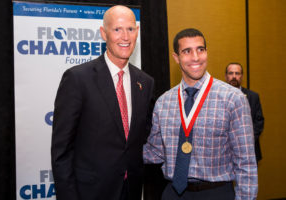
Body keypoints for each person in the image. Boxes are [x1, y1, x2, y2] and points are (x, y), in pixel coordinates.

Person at [51, 5, 154, 200]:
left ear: (137, 32)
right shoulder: (77, 79)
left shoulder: (145, 82)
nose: (125, 37)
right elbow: (61, 151)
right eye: (117, 29)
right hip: (90, 192)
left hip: (131, 189)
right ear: (103, 33)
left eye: (130, 29)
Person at [143, 28, 258, 200]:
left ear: (206, 53)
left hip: (216, 193)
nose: (195, 57)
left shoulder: (233, 99)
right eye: (187, 51)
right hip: (173, 194)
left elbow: (246, 163)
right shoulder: (163, 102)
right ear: (176, 58)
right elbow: (155, 152)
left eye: (200, 50)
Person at [225, 62, 264, 163]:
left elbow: (258, 122)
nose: (234, 76)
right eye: (231, 73)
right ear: (226, 76)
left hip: (248, 150)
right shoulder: (218, 97)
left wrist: (245, 141)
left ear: (242, 76)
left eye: (237, 73)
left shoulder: (253, 97)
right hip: (224, 151)